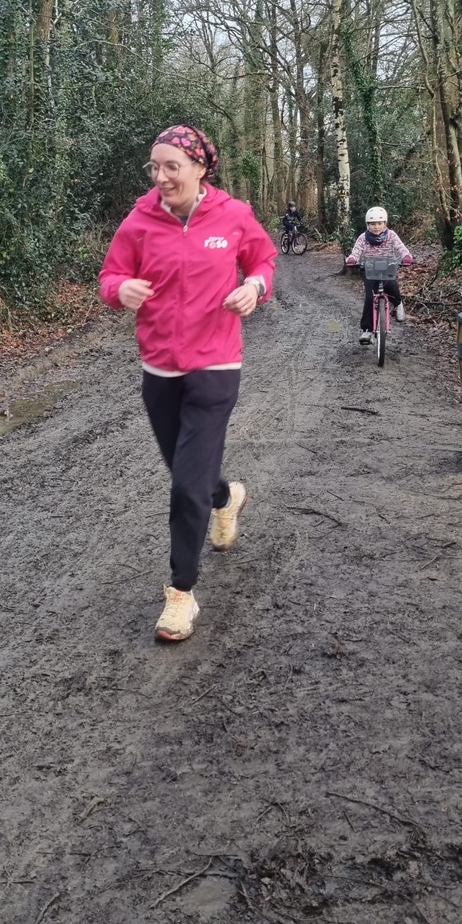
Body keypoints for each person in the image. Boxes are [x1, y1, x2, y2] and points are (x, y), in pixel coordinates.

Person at [99, 125, 277, 643]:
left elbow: (263, 261)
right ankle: (226, 496)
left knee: (184, 486)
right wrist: (120, 290)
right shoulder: (138, 221)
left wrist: (254, 286)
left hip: (215, 364)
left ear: (200, 168)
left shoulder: (233, 215)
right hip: (159, 369)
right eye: (154, 167)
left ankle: (181, 592)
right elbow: (110, 277)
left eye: (171, 166)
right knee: (189, 473)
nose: (160, 176)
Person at [346, 206, 414, 345]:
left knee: (392, 286)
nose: (376, 227)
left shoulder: (391, 235)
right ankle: (367, 330)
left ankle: (398, 304)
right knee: (370, 298)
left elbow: (401, 248)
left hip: (387, 267)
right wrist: (352, 259)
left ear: (385, 223)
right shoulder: (363, 238)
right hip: (369, 269)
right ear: (367, 224)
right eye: (372, 224)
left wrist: (406, 256)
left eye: (379, 223)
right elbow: (356, 252)